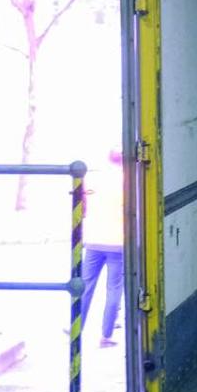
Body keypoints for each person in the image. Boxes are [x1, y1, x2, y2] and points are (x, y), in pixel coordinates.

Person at [79, 148, 125, 347]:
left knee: (86, 286)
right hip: (118, 243)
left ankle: (76, 326)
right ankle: (106, 335)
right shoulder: (127, 182)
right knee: (113, 289)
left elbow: (83, 207)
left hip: (94, 241)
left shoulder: (93, 179)